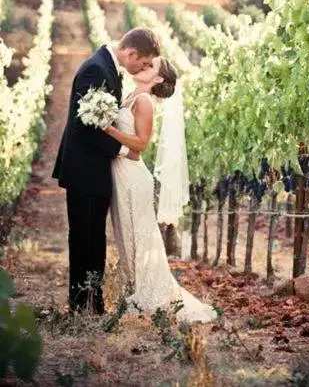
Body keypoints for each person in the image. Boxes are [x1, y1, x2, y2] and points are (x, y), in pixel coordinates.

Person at [53, 28, 160, 314]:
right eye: (144, 63)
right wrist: (125, 151)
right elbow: (85, 128)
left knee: (92, 237)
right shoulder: (96, 70)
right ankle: (83, 306)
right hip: (85, 169)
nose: (143, 68)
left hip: (93, 169)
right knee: (85, 238)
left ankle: (90, 303)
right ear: (131, 53)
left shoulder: (104, 67)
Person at [103, 56, 217, 323]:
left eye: (151, 66)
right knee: (127, 238)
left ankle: (149, 297)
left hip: (133, 177)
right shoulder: (132, 95)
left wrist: (108, 130)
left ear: (157, 79)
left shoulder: (144, 102)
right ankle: (137, 292)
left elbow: (141, 144)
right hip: (122, 174)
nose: (145, 66)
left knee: (139, 240)